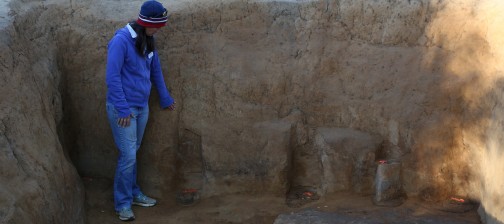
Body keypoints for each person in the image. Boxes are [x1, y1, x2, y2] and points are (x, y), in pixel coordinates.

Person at [105, 0, 175, 221]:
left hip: (141, 107)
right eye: (158, 26)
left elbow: (156, 71)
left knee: (132, 154)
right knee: (127, 156)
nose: (159, 30)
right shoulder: (121, 41)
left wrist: (164, 98)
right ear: (146, 22)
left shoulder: (148, 39)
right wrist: (123, 109)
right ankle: (122, 203)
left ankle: (134, 193)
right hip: (124, 109)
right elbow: (112, 77)